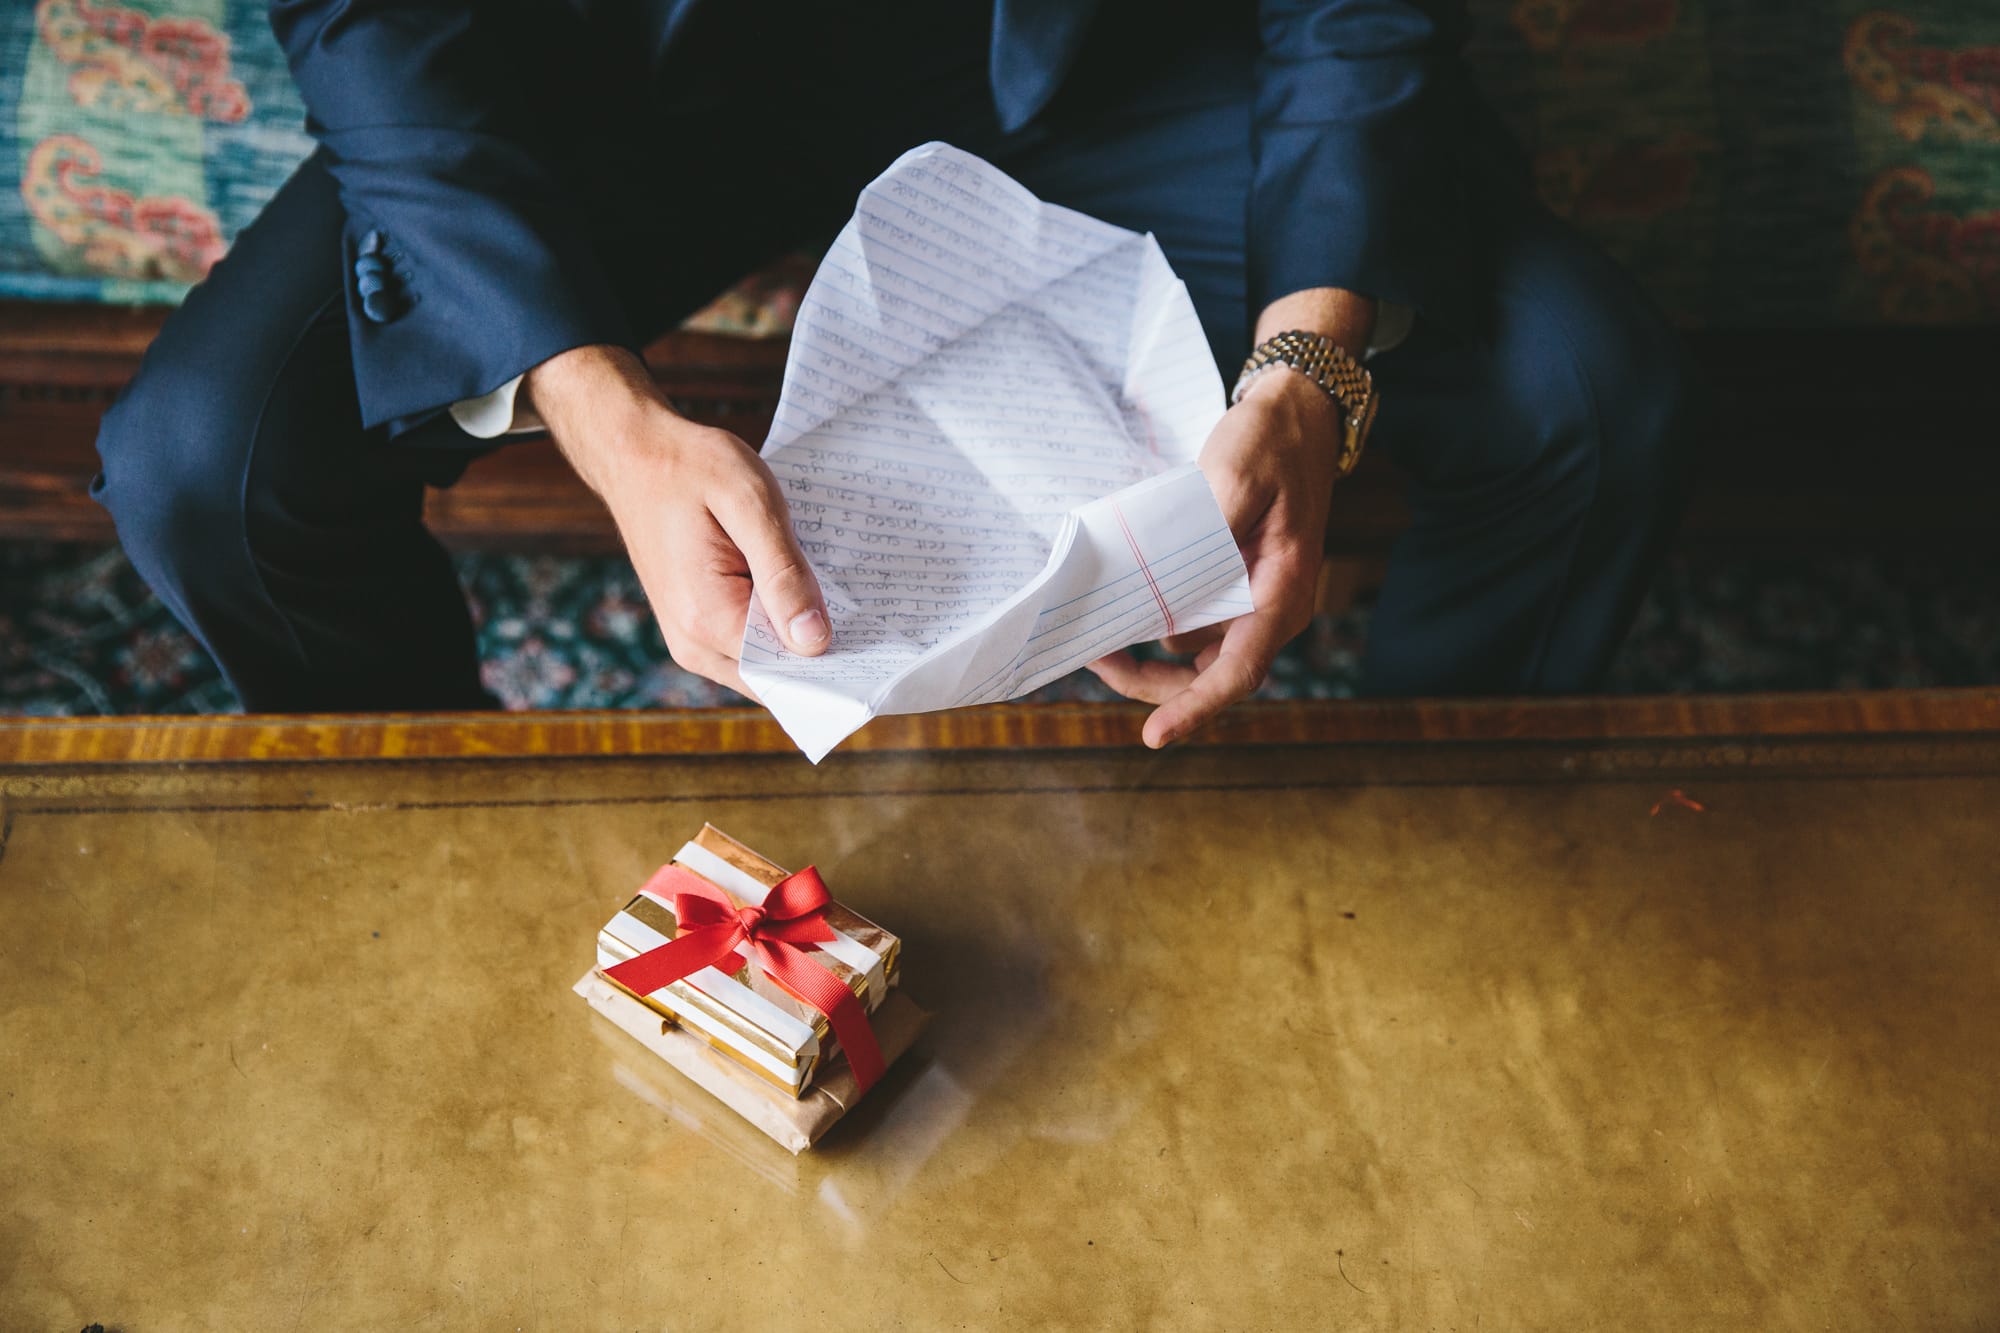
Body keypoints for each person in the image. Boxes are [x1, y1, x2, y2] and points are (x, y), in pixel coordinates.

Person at [93, 0, 1695, 748]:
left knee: (1588, 393)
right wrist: (596, 403)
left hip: (1120, 51)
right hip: (625, 64)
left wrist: (1304, 367)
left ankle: (1448, 833)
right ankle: (440, 836)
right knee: (205, 459)